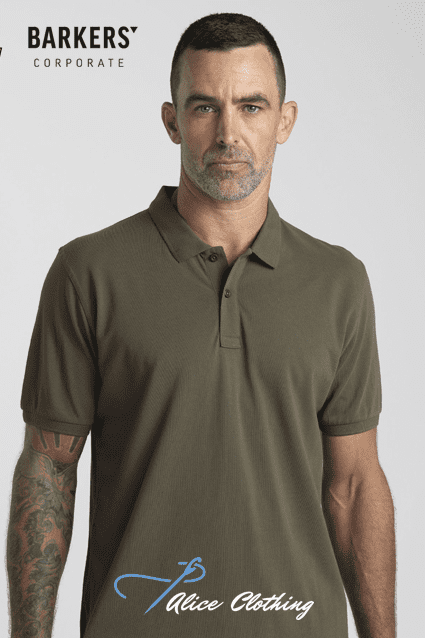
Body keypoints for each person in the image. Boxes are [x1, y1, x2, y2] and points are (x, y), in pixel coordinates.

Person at [6, 12, 396, 638]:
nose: (228, 133)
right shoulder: (89, 271)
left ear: (285, 121)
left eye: (251, 106)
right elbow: (49, 469)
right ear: (172, 121)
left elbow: (353, 485)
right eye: (205, 107)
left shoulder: (338, 282)